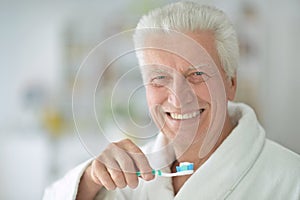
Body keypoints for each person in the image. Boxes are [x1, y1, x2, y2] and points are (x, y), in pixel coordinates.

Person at [43, 2, 300, 200]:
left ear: (231, 82)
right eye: (159, 77)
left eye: (197, 74)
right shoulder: (128, 177)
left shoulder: (290, 179)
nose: (178, 97)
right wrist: (89, 180)